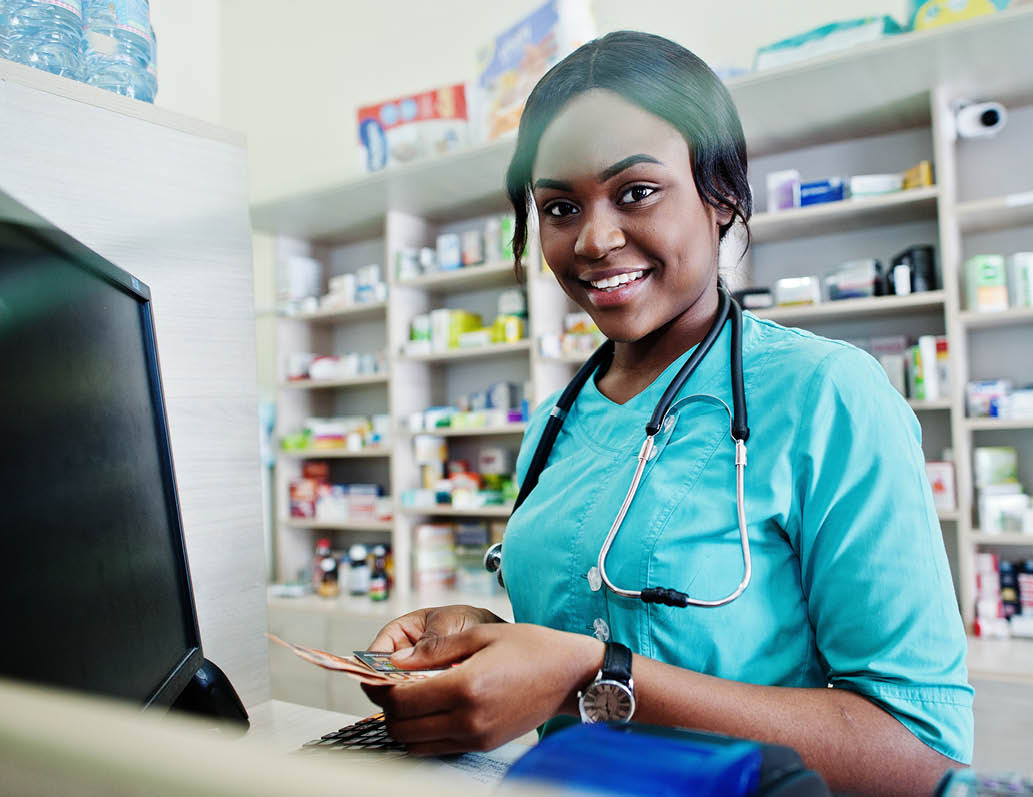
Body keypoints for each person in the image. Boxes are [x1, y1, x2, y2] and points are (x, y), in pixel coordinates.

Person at [364, 30, 973, 795]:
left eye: (635, 191)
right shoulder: (554, 419)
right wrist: (491, 646)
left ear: (719, 196)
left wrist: (597, 672)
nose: (594, 238)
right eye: (558, 206)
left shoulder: (827, 393)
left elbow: (922, 756)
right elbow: (576, 634)